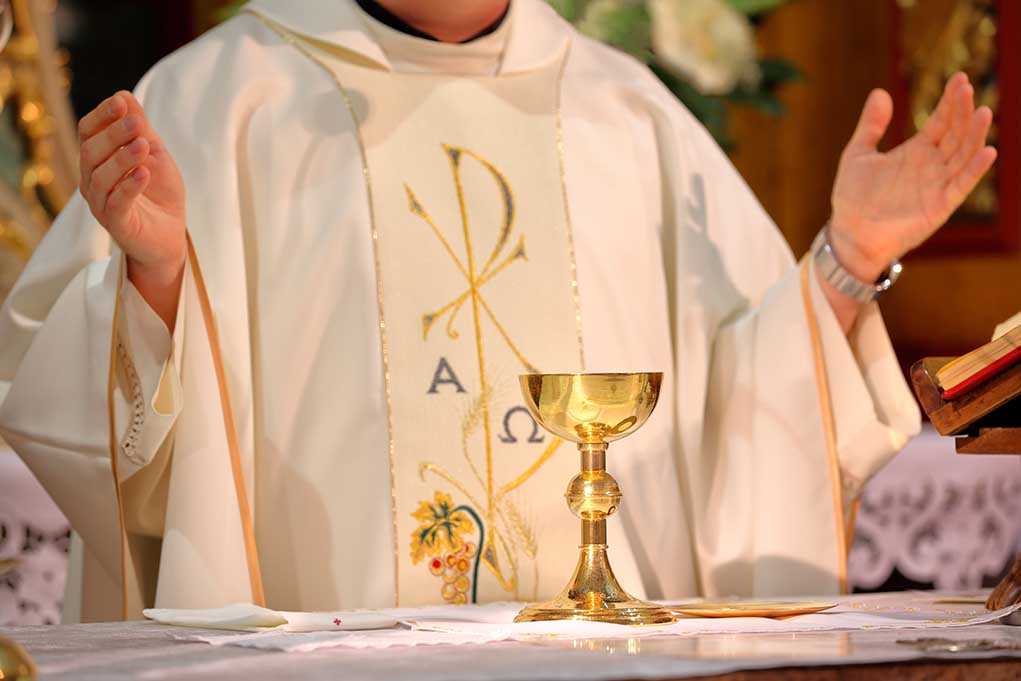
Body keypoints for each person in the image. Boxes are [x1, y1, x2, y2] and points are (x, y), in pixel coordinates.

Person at [0, 0, 995, 621]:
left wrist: (848, 258)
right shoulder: (221, 100)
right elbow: (102, 439)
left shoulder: (627, 112)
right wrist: (159, 273)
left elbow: (737, 409)